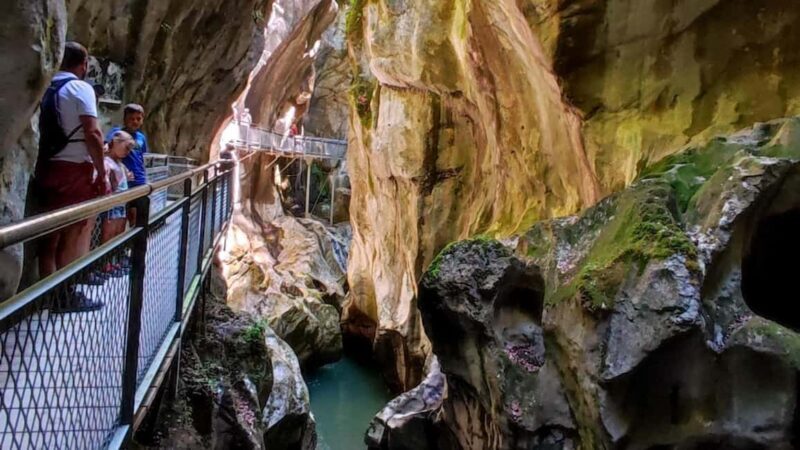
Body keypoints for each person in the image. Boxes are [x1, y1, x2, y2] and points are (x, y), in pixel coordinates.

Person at [35, 41, 110, 312]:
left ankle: (49, 294)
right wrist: (102, 174)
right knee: (71, 234)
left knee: (48, 239)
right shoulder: (80, 88)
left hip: (45, 166)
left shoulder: (46, 85)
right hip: (74, 169)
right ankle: (65, 295)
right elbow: (92, 133)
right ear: (84, 64)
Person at [107, 103, 149, 225]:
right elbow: (108, 150)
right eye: (131, 119)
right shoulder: (117, 133)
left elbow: (142, 157)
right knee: (121, 218)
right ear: (125, 119)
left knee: (138, 218)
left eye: (138, 119)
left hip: (139, 181)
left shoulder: (141, 137)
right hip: (122, 182)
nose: (135, 122)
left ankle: (134, 243)